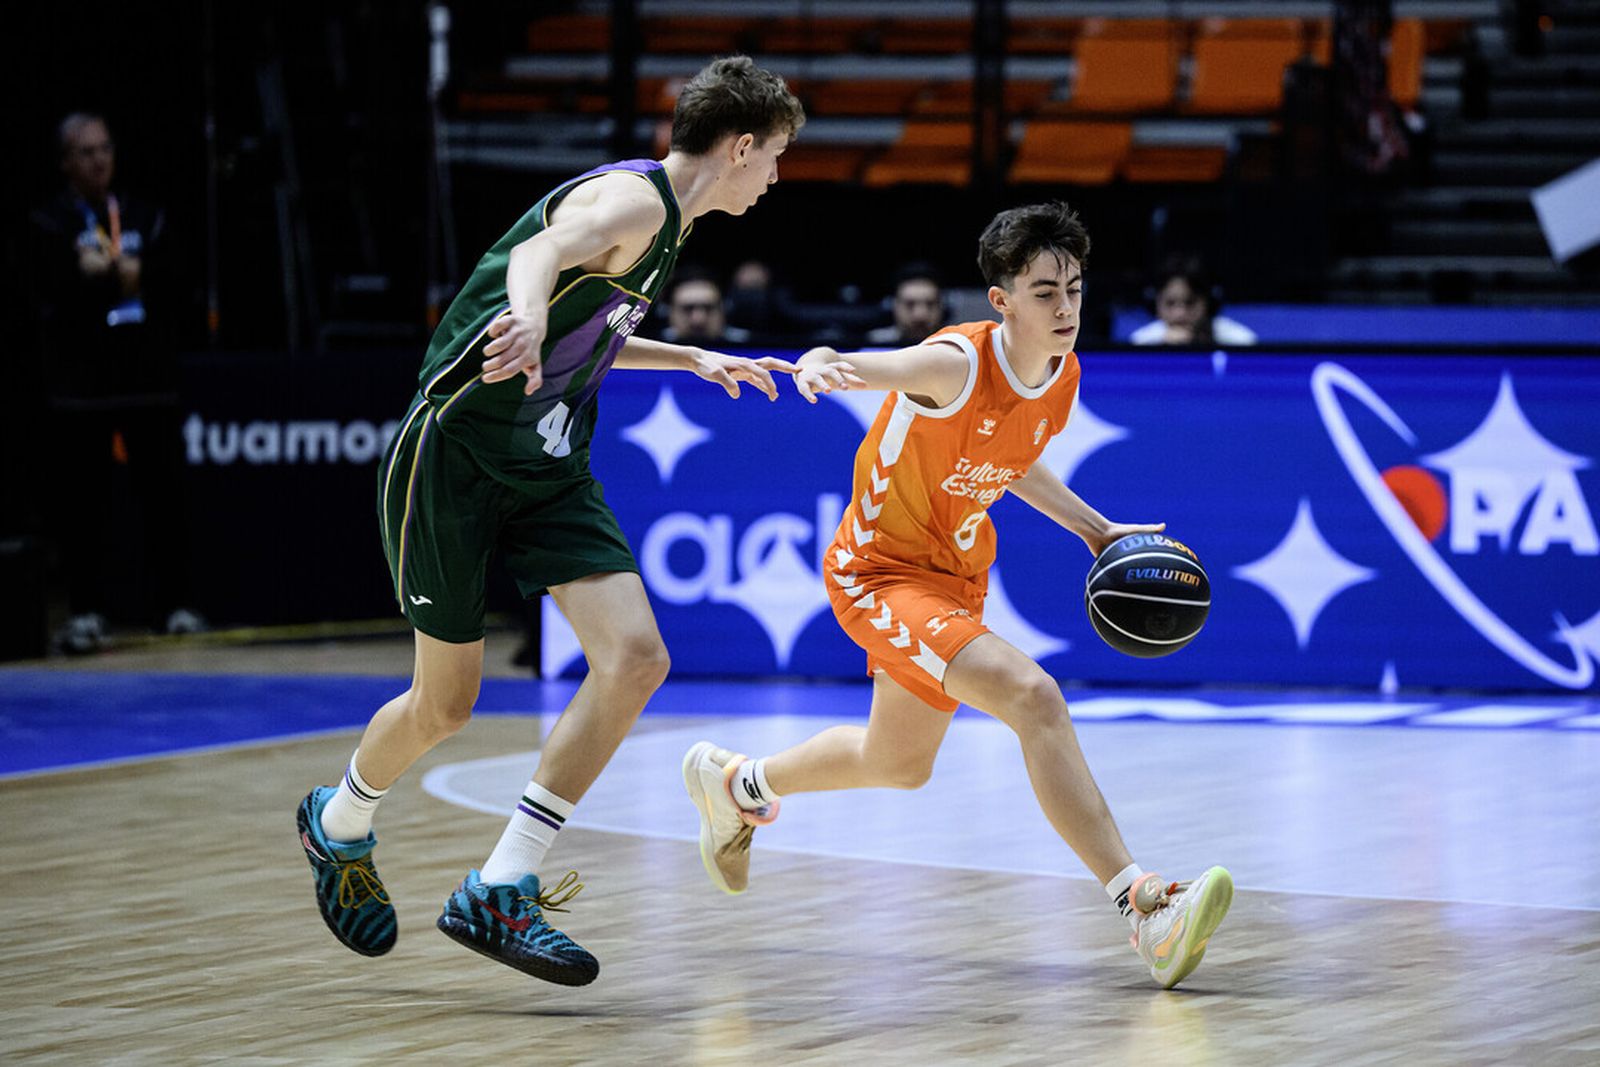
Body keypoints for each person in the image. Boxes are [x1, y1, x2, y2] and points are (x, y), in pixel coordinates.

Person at [295, 56, 803, 987]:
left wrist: (688, 357)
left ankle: (501, 883)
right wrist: (524, 319)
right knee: (444, 705)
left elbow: (592, 327)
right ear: (738, 147)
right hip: (455, 455)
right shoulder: (635, 204)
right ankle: (338, 822)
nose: (774, 177)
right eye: (772, 157)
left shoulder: (668, 226)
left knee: (638, 657)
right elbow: (541, 256)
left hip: (548, 464)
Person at [682, 202, 1233, 990]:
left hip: (954, 574)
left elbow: (1010, 459)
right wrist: (824, 361)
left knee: (897, 761)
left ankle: (739, 785)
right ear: (1001, 301)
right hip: (879, 572)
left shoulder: (1060, 374)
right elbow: (880, 365)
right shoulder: (957, 361)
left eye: (1074, 287)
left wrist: (1094, 528)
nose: (1066, 306)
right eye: (1044, 291)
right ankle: (1144, 906)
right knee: (1033, 695)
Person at [27, 112, 203, 653]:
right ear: (64, 163)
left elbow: (179, 280)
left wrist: (139, 273)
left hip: (146, 379)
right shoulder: (49, 223)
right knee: (84, 502)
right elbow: (40, 292)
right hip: (83, 386)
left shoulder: (143, 218)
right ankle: (86, 611)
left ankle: (172, 605)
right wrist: (83, 275)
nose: (98, 159)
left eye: (104, 148)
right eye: (85, 152)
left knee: (163, 497)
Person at [1128, 255, 1257, 346]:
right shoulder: (1141, 345)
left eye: (1190, 303)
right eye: (1170, 303)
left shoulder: (1241, 344)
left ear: (1210, 304)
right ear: (1155, 304)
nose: (1179, 314)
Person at [658, 266, 751, 344]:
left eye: (708, 308)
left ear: (724, 309)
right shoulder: (651, 346)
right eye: (688, 309)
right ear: (669, 311)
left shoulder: (750, 345)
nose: (698, 320)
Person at [865, 261, 948, 346]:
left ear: (942, 307)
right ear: (894, 305)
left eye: (930, 304)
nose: (920, 315)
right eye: (910, 305)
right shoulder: (874, 344)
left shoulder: (955, 345)